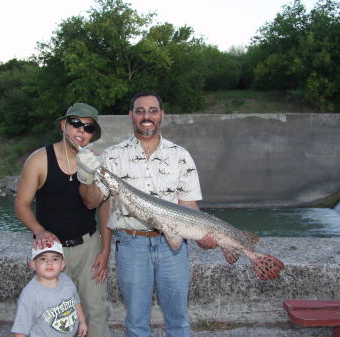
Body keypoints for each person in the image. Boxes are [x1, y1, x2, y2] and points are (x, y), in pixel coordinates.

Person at [76, 92, 216, 337]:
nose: (146, 116)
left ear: (161, 115)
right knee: (137, 319)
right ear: (131, 115)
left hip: (173, 247)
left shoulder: (180, 156)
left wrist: (204, 235)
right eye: (140, 111)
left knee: (178, 317)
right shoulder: (113, 155)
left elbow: (189, 206)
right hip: (132, 244)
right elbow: (92, 202)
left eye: (152, 110)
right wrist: (86, 176)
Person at [14, 103, 110, 337]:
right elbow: (21, 204)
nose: (81, 131)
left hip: (88, 247)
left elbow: (101, 206)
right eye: (75, 123)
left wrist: (105, 250)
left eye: (88, 128)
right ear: (63, 124)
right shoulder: (39, 160)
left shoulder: (97, 164)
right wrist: (38, 231)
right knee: (55, 315)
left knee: (95, 312)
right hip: (51, 251)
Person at [11, 240, 88, 337]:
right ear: (33, 264)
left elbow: (76, 302)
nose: (49, 263)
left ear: (62, 265)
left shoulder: (67, 280)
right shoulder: (30, 294)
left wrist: (82, 322)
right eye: (43, 259)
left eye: (55, 259)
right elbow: (20, 330)